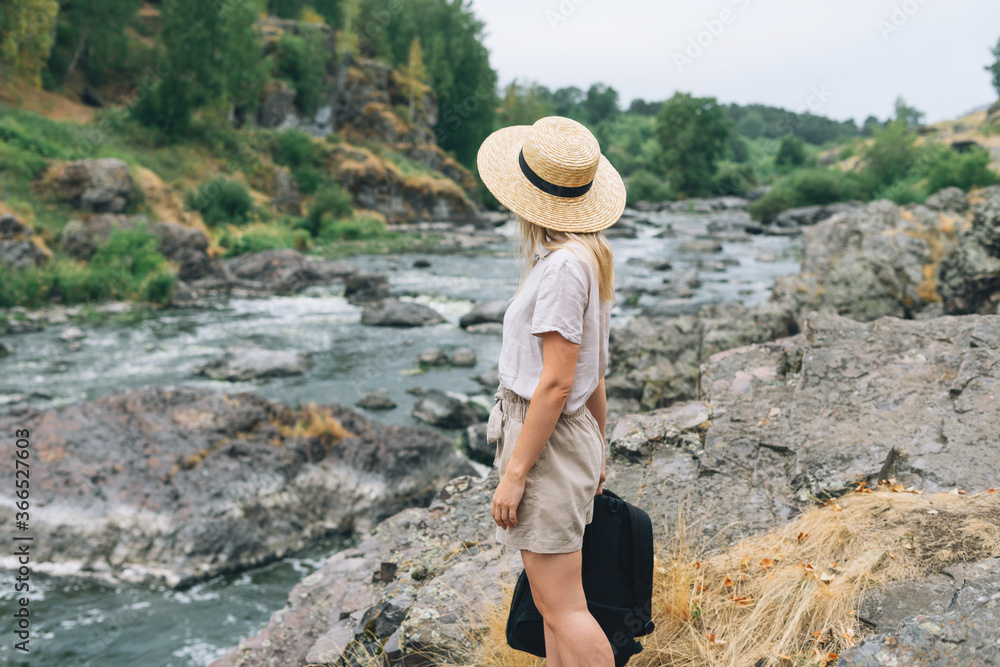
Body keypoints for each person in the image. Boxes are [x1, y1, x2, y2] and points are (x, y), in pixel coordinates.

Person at [478, 115, 625, 666]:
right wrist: (599, 447)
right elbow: (597, 373)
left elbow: (560, 381)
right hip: (567, 441)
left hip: (546, 445)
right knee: (550, 605)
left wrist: (515, 473)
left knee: (564, 607)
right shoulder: (586, 256)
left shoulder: (564, 267)